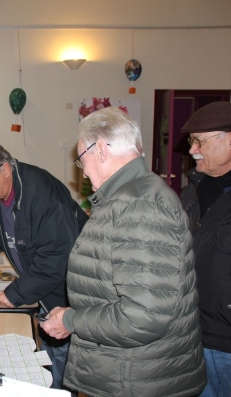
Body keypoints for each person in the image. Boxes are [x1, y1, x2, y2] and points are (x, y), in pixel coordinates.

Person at [41, 106, 206, 396]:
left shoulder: (140, 206)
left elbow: (143, 316)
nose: (83, 170)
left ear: (101, 149)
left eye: (82, 160)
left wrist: (69, 320)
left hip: (136, 379)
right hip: (128, 372)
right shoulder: (128, 198)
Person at [0, 140, 88, 391]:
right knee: (48, 350)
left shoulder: (41, 193)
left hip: (72, 286)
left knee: (64, 357)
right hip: (41, 284)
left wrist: (17, 293)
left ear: (6, 169)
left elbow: (58, 257)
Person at [179, 101, 231, 397]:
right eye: (191, 141)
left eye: (200, 141)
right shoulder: (191, 191)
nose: (192, 150)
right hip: (192, 333)